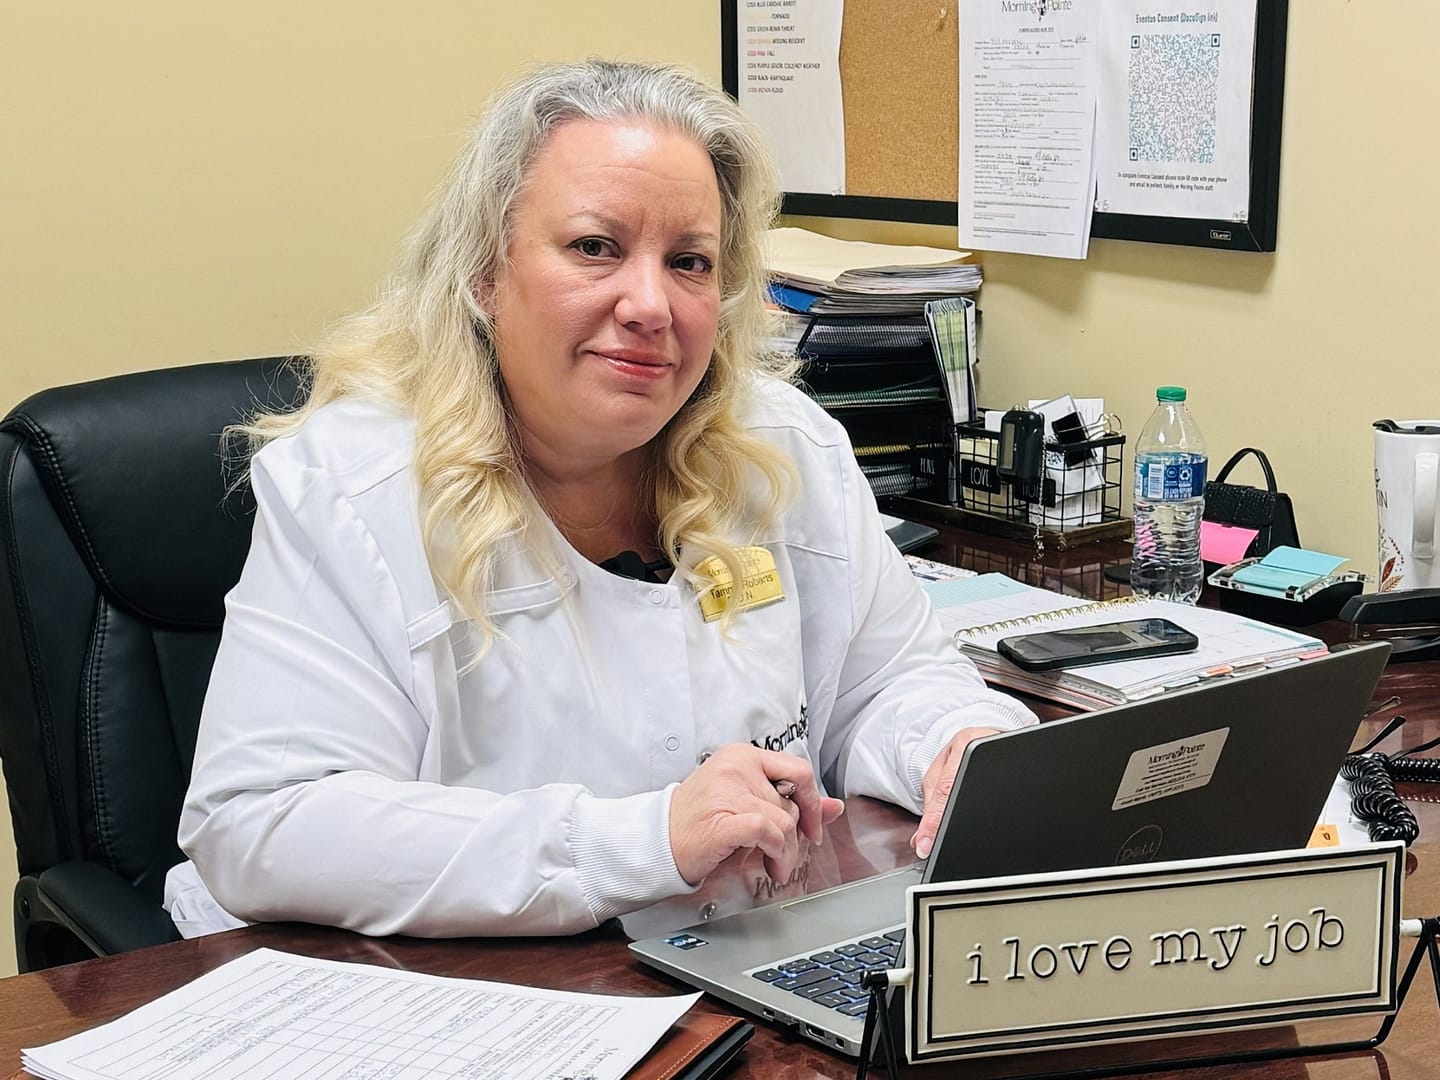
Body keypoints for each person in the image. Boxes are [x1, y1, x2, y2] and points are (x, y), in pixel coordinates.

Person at [164, 59, 1036, 939]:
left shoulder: (782, 447)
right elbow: (261, 821)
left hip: (734, 957)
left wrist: (953, 741)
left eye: (690, 262)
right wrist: (638, 840)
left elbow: (886, 678)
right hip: (447, 993)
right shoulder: (360, 485)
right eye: (595, 248)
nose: (650, 304)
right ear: (484, 274)